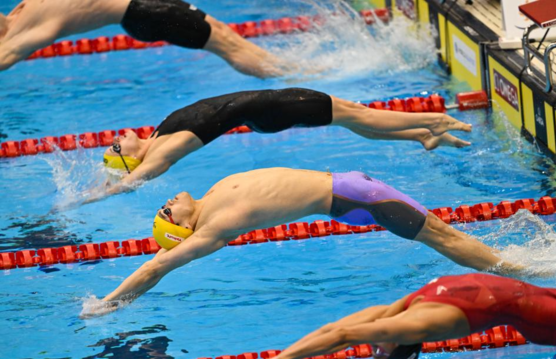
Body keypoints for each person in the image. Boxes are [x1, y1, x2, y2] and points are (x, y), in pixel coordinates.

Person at [81, 168, 526, 318]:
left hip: (351, 191)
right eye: (165, 215)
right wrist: (109, 302)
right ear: (184, 229)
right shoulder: (218, 223)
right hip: (358, 197)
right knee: (443, 238)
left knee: (444, 236)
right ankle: (523, 271)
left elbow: (162, 254)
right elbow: (157, 266)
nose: (164, 204)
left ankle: (514, 265)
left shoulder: (213, 196)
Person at [85, 88, 471, 204]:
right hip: (274, 108)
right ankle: (432, 121)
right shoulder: (166, 150)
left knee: (354, 116)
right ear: (133, 158)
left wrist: (99, 181)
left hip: (269, 109)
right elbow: (142, 177)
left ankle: (418, 135)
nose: (115, 142)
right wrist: (94, 195)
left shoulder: (156, 137)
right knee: (362, 115)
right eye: (115, 150)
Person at [239, 273, 556, 359]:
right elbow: (347, 335)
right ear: (397, 347)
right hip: (540, 317)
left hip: (539, 295)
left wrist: (281, 356)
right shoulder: (418, 324)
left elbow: (335, 329)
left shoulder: (402, 309)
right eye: (376, 351)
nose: (371, 345)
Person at [0, 0, 289, 76]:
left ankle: (288, 67)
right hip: (146, 12)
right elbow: (7, 58)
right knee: (228, 47)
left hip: (148, 6)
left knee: (226, 35)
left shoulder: (18, 13)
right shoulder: (31, 33)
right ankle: (288, 75)